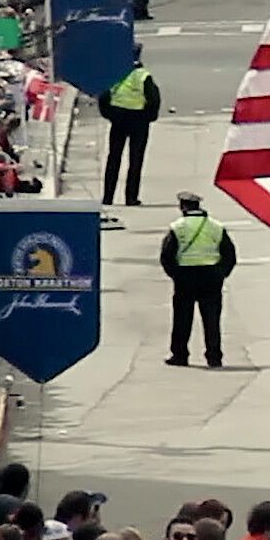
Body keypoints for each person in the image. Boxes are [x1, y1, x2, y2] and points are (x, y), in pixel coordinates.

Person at [160, 192, 238, 369]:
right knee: (212, 319)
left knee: (182, 318)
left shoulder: (177, 227)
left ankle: (180, 355)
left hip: (185, 277)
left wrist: (175, 275)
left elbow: (167, 255)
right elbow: (229, 254)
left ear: (183, 207)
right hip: (211, 276)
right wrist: (221, 274)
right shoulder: (216, 227)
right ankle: (214, 357)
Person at [100, 54, 162, 207]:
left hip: (118, 119)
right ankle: (131, 198)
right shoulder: (143, 76)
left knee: (113, 158)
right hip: (139, 120)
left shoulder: (114, 74)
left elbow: (103, 96)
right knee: (136, 160)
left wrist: (110, 115)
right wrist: (149, 117)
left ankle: (108, 197)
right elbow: (154, 99)